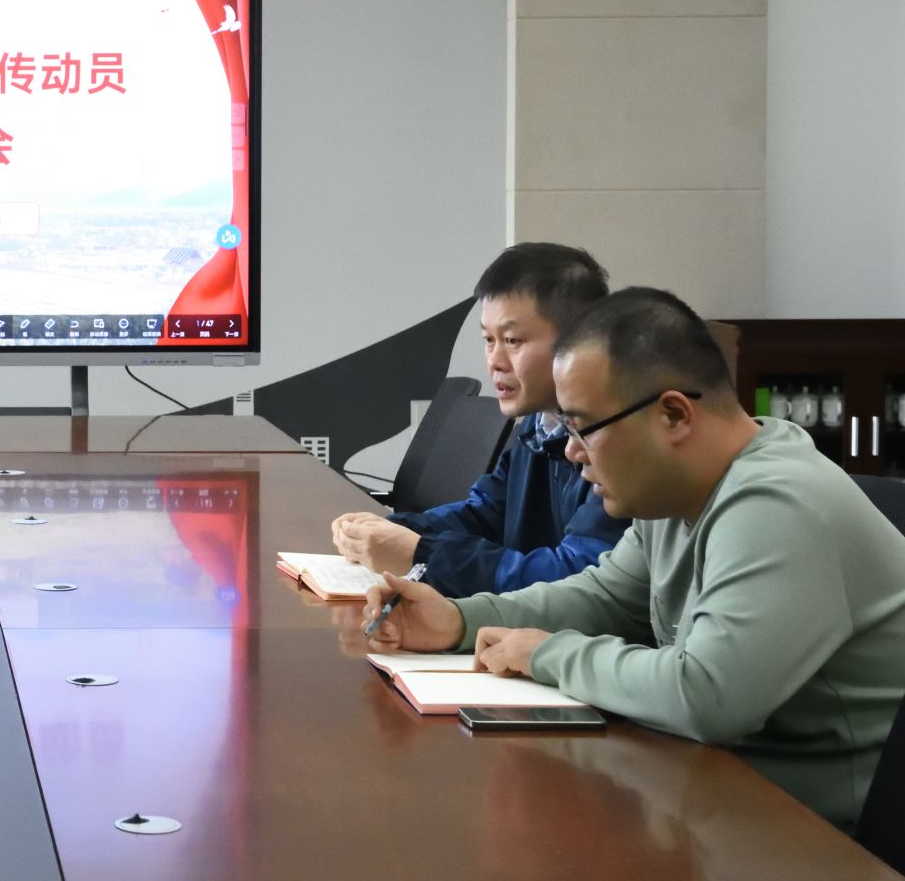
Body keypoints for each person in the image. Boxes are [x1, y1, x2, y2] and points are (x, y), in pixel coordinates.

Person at [363, 287, 905, 828]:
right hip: (717, 793)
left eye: (583, 427)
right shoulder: (675, 491)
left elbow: (707, 696)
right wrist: (460, 619)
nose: (571, 451)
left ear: (673, 415)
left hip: (820, 837)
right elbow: (603, 598)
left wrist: (548, 653)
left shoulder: (779, 505)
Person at [331, 242, 628, 596]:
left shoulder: (618, 442)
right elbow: (486, 514)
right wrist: (388, 529)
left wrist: (422, 554)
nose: (495, 361)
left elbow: (577, 576)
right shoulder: (539, 423)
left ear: (578, 342)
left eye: (512, 340)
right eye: (489, 339)